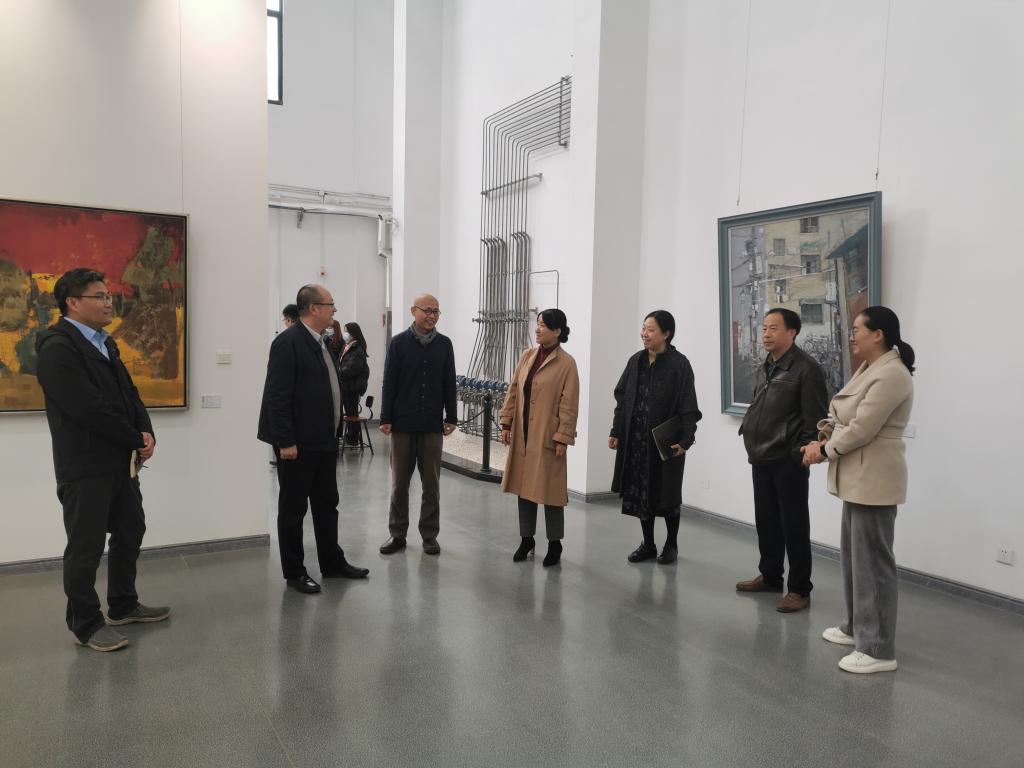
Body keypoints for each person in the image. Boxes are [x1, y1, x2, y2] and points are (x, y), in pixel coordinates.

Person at [35, 268, 168, 652]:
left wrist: (146, 432)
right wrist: (134, 438)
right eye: (100, 296)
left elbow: (129, 394)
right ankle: (86, 623)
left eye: (109, 295)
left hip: (121, 463)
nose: (110, 302)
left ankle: (123, 604)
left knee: (131, 529)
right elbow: (88, 409)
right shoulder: (58, 348)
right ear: (73, 303)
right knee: (86, 547)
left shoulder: (105, 343)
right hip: (85, 466)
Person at [802, 306, 915, 674]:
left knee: (874, 564)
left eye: (857, 329)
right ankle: (856, 627)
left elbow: (863, 427)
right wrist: (824, 435)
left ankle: (878, 649)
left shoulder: (892, 374)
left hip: (874, 477)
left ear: (877, 334)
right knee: (855, 559)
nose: (852, 335)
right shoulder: (870, 368)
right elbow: (844, 416)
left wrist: (824, 450)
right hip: (858, 476)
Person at [258, 284, 369, 594]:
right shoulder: (288, 343)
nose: (335, 309)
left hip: (323, 439)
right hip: (297, 444)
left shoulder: (322, 342)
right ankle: (294, 572)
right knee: (293, 510)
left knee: (327, 504)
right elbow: (277, 396)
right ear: (313, 308)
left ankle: (332, 563)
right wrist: (285, 441)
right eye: (330, 304)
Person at [735, 308, 828, 613]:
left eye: (773, 328)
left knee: (794, 525)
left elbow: (815, 421)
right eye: (764, 328)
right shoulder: (766, 366)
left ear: (792, 332)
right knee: (766, 521)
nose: (766, 334)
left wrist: (798, 453)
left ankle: (799, 589)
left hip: (788, 460)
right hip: (761, 455)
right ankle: (771, 576)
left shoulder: (807, 369)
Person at [609, 310, 701, 564]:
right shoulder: (635, 361)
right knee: (642, 493)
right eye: (643, 328)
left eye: (650, 329)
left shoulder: (680, 364)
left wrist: (686, 440)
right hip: (636, 440)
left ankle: (671, 544)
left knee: (667, 493)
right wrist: (616, 431)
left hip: (665, 442)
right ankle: (647, 544)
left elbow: (689, 405)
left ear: (666, 334)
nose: (644, 334)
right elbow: (621, 398)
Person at [378, 293, 458, 556]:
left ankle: (429, 535)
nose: (432, 316)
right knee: (399, 484)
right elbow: (389, 381)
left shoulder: (444, 345)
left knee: (431, 485)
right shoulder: (399, 343)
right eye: (427, 310)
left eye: (436, 311)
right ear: (414, 311)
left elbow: (449, 382)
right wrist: (386, 417)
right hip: (402, 424)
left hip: (432, 425)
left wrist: (451, 417)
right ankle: (397, 534)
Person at [500, 309, 580, 567]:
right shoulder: (527, 356)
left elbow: (569, 405)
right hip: (523, 435)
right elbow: (514, 390)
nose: (538, 329)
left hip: (548, 436)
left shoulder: (567, 364)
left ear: (557, 331)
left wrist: (562, 438)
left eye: (544, 325)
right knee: (524, 489)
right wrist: (506, 422)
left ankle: (555, 544)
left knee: (551, 492)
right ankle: (527, 539)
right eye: (537, 324)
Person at [338, 321, 370, 446]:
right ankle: (350, 435)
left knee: (352, 413)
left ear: (353, 333)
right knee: (350, 412)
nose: (345, 334)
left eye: (347, 331)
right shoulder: (347, 346)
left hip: (352, 387)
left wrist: (338, 374)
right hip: (346, 385)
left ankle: (353, 438)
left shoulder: (357, 349)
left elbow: (351, 368)